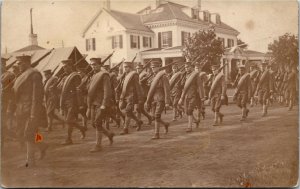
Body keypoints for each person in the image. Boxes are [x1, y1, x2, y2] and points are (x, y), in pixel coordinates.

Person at [12, 55, 48, 167]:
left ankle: (30, 161)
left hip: (31, 110)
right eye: (17, 63)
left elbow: (36, 96)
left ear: (26, 63)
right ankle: (42, 145)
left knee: (28, 134)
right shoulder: (22, 75)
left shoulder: (34, 74)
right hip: (21, 109)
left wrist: (33, 113)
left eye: (19, 63)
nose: (18, 65)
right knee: (28, 133)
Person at [86, 57, 114, 152]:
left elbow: (107, 91)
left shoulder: (104, 75)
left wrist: (104, 104)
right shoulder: (94, 75)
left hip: (101, 103)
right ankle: (109, 134)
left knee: (97, 122)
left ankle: (98, 145)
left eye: (95, 64)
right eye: (92, 65)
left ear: (100, 65)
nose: (93, 66)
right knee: (94, 123)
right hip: (94, 103)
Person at [57, 59, 86, 145]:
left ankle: (68, 139)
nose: (64, 69)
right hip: (66, 101)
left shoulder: (75, 76)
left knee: (69, 120)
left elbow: (78, 90)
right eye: (63, 67)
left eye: (66, 67)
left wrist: (80, 103)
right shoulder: (65, 77)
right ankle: (81, 128)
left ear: (70, 66)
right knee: (68, 120)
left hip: (73, 101)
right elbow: (60, 88)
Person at [144, 61, 171, 139]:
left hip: (161, 98)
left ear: (158, 67)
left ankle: (156, 134)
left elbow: (167, 90)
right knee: (154, 116)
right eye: (152, 67)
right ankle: (165, 124)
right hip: (154, 99)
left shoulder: (163, 77)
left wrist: (167, 102)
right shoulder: (153, 77)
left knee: (157, 115)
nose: (153, 69)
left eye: (154, 67)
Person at [178, 61, 205, 132]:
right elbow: (181, 85)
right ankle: (196, 120)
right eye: (185, 67)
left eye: (188, 67)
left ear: (191, 67)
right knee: (187, 111)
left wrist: (202, 97)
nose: (186, 68)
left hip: (193, 95)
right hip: (186, 95)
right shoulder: (184, 75)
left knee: (189, 110)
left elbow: (200, 86)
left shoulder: (195, 75)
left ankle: (189, 127)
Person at [118, 61, 144, 135]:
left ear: (130, 67)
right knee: (124, 110)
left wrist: (140, 99)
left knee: (127, 112)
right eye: (124, 67)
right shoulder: (125, 75)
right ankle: (138, 121)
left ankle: (125, 129)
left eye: (126, 67)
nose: (125, 68)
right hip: (124, 96)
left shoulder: (134, 75)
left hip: (131, 96)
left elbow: (137, 86)